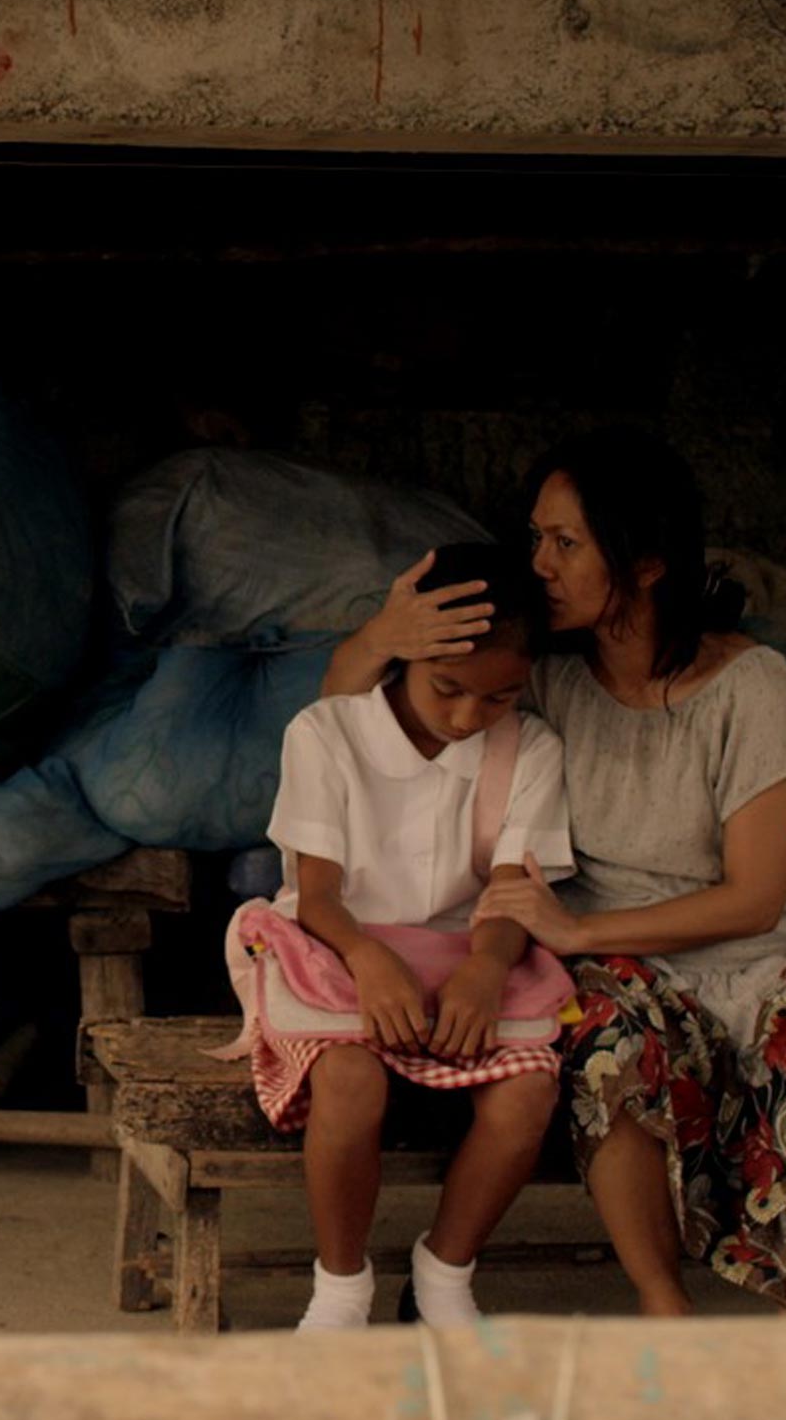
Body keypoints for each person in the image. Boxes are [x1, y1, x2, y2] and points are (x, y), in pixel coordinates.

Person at [324, 428, 786, 1315]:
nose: (541, 564)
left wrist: (580, 929)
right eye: (536, 540)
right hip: (616, 973)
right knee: (608, 1042)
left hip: (753, 959)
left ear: (644, 563)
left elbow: (755, 897)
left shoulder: (757, 689)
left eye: (566, 543)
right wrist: (382, 634)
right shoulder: (547, 680)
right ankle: (661, 1302)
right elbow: (342, 725)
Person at [240, 541, 574, 1331]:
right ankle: (341, 1287)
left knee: (527, 1091)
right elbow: (316, 895)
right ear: (406, 657)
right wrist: (367, 957)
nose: (466, 717)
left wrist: (487, 970)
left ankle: (444, 1274)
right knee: (351, 1082)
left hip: (473, 953)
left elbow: (511, 891)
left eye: (495, 699)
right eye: (447, 688)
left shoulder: (533, 749)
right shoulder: (326, 733)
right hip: (334, 946)